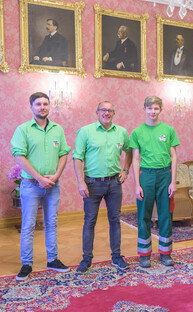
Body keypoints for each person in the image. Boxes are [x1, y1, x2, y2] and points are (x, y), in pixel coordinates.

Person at [11, 92, 71, 281]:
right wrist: (39, 178)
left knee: (51, 223)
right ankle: (26, 263)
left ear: (49, 106)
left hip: (53, 185)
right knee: (28, 225)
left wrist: (56, 176)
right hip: (31, 186)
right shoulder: (23, 129)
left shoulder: (57, 130)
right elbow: (19, 156)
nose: (42, 107)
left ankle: (52, 260)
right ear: (31, 106)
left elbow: (63, 154)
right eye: (38, 104)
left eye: (45, 104)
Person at [73, 101, 132, 273]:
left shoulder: (121, 132)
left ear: (114, 113)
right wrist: (80, 181)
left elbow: (129, 151)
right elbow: (77, 158)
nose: (106, 113)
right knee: (90, 221)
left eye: (110, 110)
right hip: (92, 183)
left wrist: (126, 170)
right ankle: (86, 259)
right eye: (103, 110)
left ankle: (116, 256)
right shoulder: (85, 131)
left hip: (114, 183)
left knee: (115, 220)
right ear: (97, 112)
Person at [130, 96, 180, 268]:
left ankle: (165, 253)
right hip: (146, 176)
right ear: (144, 109)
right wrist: (137, 184)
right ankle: (144, 254)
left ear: (161, 109)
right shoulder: (137, 132)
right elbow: (135, 159)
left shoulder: (168, 130)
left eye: (156, 108)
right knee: (144, 215)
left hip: (165, 175)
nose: (153, 111)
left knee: (166, 214)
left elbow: (174, 156)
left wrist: (173, 181)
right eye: (150, 108)